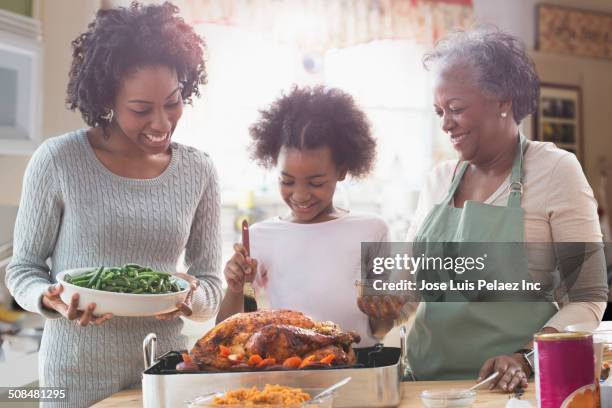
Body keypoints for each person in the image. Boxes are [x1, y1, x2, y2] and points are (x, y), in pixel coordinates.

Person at [5, 3, 222, 406]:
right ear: (108, 98)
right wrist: (50, 298)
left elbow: (209, 280)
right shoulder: (58, 161)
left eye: (173, 102)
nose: (161, 124)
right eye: (141, 109)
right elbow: (23, 268)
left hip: (164, 371)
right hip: (74, 380)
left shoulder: (199, 171)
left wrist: (193, 299)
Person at [403, 27, 608, 391]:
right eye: (438, 111)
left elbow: (588, 298)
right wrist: (385, 298)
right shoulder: (437, 180)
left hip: (509, 389)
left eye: (456, 108)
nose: (445, 123)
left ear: (503, 101)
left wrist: (526, 356)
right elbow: (410, 287)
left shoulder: (555, 170)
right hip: (423, 387)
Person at [216, 86, 403, 346]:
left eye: (315, 183)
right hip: (290, 369)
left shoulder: (371, 230)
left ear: (342, 170)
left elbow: (381, 329)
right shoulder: (260, 236)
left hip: (358, 366)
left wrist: (384, 311)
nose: (300, 195)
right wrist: (236, 288)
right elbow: (227, 335)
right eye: (287, 181)